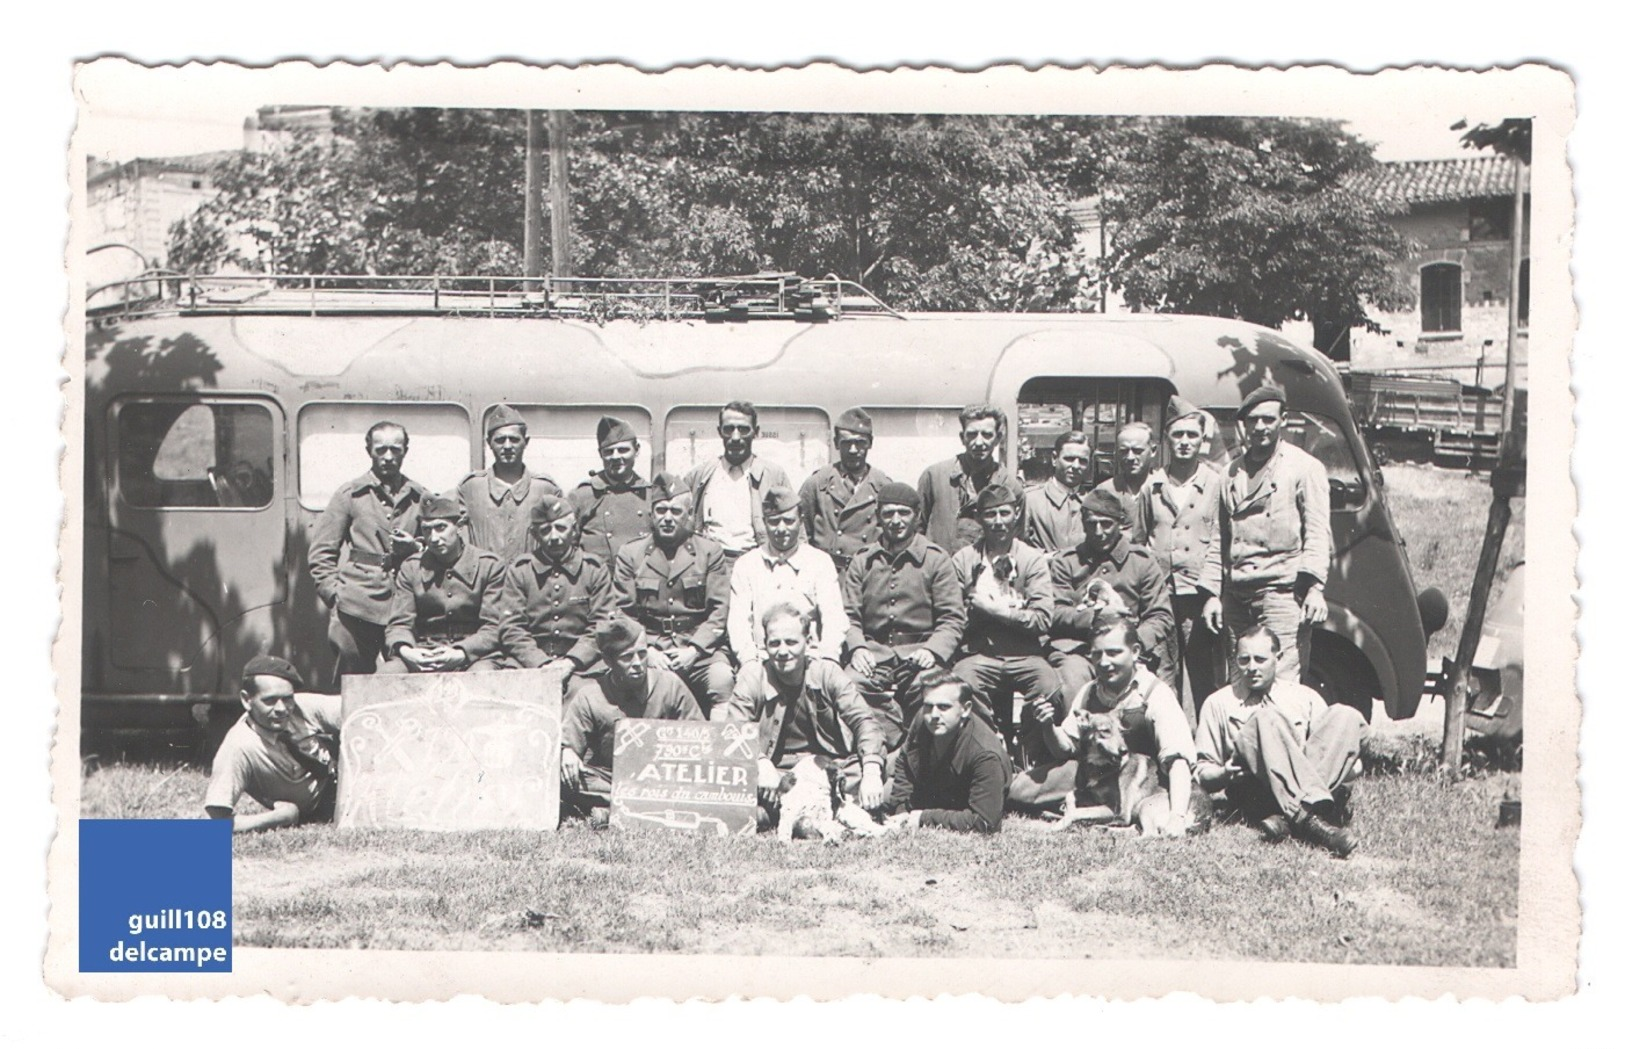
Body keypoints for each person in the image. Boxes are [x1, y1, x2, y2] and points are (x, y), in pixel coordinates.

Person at [1012, 615, 1198, 835]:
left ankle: (1083, 812)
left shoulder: (1155, 694)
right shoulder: (1089, 691)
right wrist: (1048, 725)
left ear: (1135, 652)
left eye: (1114, 653)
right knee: (1018, 792)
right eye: (1097, 654)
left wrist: (1177, 816)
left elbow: (1179, 762)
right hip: (1091, 772)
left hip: (1140, 782)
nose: (1104, 662)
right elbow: (1065, 748)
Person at [1200, 384, 1332, 685]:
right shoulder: (1230, 474)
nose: (1260, 427)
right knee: (1239, 681)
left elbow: (1317, 532)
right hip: (1236, 597)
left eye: (1268, 419)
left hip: (1282, 595)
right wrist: (1212, 595)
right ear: (1244, 424)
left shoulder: (1304, 468)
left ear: (1283, 420)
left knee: (1281, 683)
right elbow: (1219, 537)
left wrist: (1314, 588)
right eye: (1253, 420)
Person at [1194, 625, 1365, 857]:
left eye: (1260, 659)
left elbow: (1338, 754)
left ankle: (1290, 818)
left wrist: (1344, 761)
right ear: (1234, 660)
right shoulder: (1218, 703)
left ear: (1279, 658)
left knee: (1346, 715)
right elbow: (1203, 773)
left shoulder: (1304, 697)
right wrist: (1225, 773)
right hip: (1255, 792)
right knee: (1265, 719)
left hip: (1301, 783)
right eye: (1244, 660)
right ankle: (1312, 821)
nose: (1252, 668)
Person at [716, 604, 887, 831]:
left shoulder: (827, 672)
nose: (783, 651)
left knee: (867, 771)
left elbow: (865, 721)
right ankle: (830, 811)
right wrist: (759, 761)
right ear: (764, 645)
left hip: (827, 770)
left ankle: (788, 814)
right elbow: (732, 732)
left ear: (809, 641)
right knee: (737, 781)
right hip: (778, 775)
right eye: (774, 643)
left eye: (791, 642)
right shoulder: (752, 677)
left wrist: (872, 771)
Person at [841, 482, 966, 750]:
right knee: (847, 685)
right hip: (874, 654)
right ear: (878, 517)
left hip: (919, 654)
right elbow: (848, 615)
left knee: (931, 690)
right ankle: (898, 742)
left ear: (917, 516)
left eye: (903, 513)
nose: (896, 521)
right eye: (888, 514)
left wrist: (933, 651)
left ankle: (914, 754)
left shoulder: (936, 559)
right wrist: (858, 647)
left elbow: (952, 619)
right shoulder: (863, 560)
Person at [309, 421, 429, 682]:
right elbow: (321, 553)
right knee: (351, 681)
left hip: (404, 605)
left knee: (404, 680)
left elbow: (438, 547)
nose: (388, 457)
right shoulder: (350, 495)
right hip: (356, 605)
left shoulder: (420, 497)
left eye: (395, 449)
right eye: (380, 450)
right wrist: (336, 595)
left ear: (405, 451)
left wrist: (415, 547)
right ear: (369, 451)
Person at [948, 483, 1063, 750]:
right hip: (979, 654)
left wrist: (997, 612)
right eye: (990, 515)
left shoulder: (1031, 560)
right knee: (961, 684)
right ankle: (991, 746)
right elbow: (952, 615)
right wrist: (972, 615)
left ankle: (1027, 749)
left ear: (1017, 514)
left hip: (1024, 654)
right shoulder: (964, 560)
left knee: (1050, 686)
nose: (998, 522)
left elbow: (1043, 618)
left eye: (1005, 513)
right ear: (979, 518)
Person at [611, 472, 735, 715]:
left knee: (722, 680)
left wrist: (694, 650)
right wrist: (648, 651)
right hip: (651, 649)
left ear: (688, 515)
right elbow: (623, 614)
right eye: (661, 510)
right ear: (651, 514)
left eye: (676, 512)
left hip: (699, 651)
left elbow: (720, 611)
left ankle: (720, 750)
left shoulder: (709, 552)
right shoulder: (631, 554)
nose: (668, 518)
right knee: (644, 686)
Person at [559, 619, 706, 821]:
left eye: (642, 654)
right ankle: (639, 805)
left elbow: (703, 738)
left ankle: (614, 809)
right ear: (608, 661)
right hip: (611, 778)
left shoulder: (670, 685)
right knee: (563, 780)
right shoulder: (590, 695)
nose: (637, 663)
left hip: (664, 778)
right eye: (627, 657)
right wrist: (568, 753)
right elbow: (569, 746)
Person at [1140, 395, 1225, 714]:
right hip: (1161, 594)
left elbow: (1221, 540)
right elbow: (1141, 538)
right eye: (1178, 435)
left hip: (1198, 595)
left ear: (1202, 440)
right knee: (1162, 668)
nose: (1185, 442)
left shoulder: (1216, 484)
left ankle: (1204, 745)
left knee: (1202, 672)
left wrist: (1212, 592)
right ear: (1166, 439)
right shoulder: (1153, 486)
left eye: (1192, 435)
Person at [1048, 487, 1176, 699]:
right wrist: (1093, 618)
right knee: (1072, 683)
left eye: (1106, 524)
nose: (1099, 532)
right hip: (1079, 650)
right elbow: (1054, 611)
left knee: (1148, 696)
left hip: (1129, 650)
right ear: (1083, 523)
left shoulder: (1141, 562)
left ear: (1120, 523)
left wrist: (1133, 642)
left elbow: (1160, 616)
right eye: (1092, 524)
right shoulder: (1067, 561)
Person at [204, 655, 340, 833]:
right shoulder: (239, 745)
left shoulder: (302, 705)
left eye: (288, 699)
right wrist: (281, 817)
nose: (282, 709)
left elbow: (360, 710)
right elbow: (216, 823)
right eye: (269, 701)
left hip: (350, 782)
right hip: (318, 808)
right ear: (247, 700)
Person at [379, 493, 508, 674]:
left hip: (474, 655)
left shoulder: (489, 567)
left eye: (441, 528)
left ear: (459, 526)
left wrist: (461, 652)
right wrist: (407, 651)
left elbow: (494, 626)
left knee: (482, 677)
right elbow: (399, 624)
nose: (433, 538)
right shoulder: (411, 568)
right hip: (423, 652)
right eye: (426, 530)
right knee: (387, 676)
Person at [498, 494, 616, 689]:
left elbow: (602, 625)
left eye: (561, 528)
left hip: (583, 666)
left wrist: (571, 662)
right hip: (530, 664)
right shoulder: (520, 571)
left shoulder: (594, 569)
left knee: (588, 697)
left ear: (574, 530)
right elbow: (511, 628)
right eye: (545, 531)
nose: (554, 537)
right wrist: (541, 663)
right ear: (535, 535)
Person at [728, 485, 848, 667]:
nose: (781, 529)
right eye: (774, 522)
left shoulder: (820, 562)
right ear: (764, 522)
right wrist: (749, 661)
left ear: (800, 521)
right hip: (762, 661)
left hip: (811, 660)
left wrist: (828, 659)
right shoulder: (746, 565)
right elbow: (738, 624)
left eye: (788, 521)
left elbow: (834, 619)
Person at [885, 670, 1012, 834]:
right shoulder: (925, 718)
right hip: (931, 786)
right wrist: (901, 809)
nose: (934, 715)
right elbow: (905, 761)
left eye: (944, 707)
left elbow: (985, 822)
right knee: (875, 797)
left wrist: (924, 817)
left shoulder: (985, 754)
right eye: (928, 706)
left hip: (964, 796)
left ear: (965, 709)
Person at [686, 401, 792, 566]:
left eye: (743, 430)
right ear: (719, 432)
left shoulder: (773, 475)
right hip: (710, 566)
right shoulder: (701, 475)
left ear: (755, 432)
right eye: (729, 429)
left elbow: (794, 527)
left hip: (758, 565)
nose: (735, 437)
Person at [458, 404, 563, 561]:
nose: (507, 446)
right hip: (483, 583)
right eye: (500, 440)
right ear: (489, 443)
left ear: (525, 442)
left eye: (514, 439)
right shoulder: (471, 488)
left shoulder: (545, 489)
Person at [917, 404, 1025, 554]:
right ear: (962, 438)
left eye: (987, 435)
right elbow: (916, 531)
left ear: (998, 438)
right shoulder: (934, 477)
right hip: (940, 573)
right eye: (972, 434)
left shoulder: (1010, 487)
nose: (979, 442)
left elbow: (1018, 541)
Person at [798, 407, 893, 574]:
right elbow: (801, 532)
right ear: (836, 443)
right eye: (846, 443)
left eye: (860, 443)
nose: (853, 450)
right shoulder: (818, 483)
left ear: (870, 443)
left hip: (868, 574)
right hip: (827, 574)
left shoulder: (883, 486)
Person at [568, 415, 654, 563]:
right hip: (598, 583)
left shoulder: (651, 494)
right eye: (608, 452)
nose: (615, 457)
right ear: (600, 454)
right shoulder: (582, 496)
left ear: (637, 450)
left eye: (623, 450)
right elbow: (567, 548)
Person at [1025, 430, 1091, 553]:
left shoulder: (1094, 501)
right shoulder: (1031, 501)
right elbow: (1016, 548)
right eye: (1069, 459)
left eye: (1082, 461)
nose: (1076, 466)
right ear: (1055, 459)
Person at [1089, 421, 1155, 543]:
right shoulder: (1104, 491)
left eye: (1137, 451)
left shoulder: (1163, 488)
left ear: (1153, 451)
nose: (1130, 457)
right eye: (1124, 451)